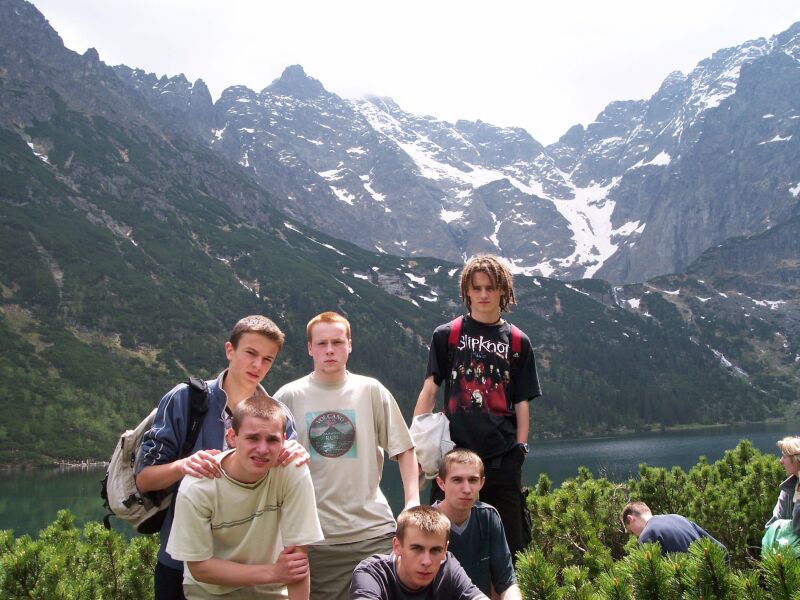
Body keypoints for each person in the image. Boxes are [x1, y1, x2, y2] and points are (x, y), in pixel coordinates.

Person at [137, 315, 308, 600]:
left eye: (267, 359)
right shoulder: (186, 401)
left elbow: (288, 486)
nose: (258, 365)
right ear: (230, 350)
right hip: (182, 563)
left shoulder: (279, 416)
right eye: (251, 353)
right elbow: (144, 480)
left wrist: (297, 454)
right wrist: (183, 466)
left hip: (255, 568)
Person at [273, 311, 420, 600]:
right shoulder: (288, 397)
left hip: (372, 532)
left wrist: (412, 502)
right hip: (314, 538)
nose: (330, 350)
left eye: (338, 342)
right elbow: (267, 459)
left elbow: (404, 449)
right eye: (322, 343)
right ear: (310, 348)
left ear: (349, 345)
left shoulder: (371, 390)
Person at [413, 254, 541, 558]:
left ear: (503, 290)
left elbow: (521, 401)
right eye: (477, 288)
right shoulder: (447, 335)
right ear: (466, 291)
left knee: (510, 548)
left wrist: (520, 449)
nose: (483, 294)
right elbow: (430, 389)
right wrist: (416, 443)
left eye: (490, 287)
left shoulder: (518, 341)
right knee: (439, 545)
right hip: (452, 458)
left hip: (502, 459)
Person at [167, 394, 323, 599]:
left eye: (272, 440)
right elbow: (199, 568)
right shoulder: (199, 486)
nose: (263, 449)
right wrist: (274, 573)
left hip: (272, 591)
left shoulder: (291, 470)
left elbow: (297, 560)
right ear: (232, 437)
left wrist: (279, 576)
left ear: (284, 440)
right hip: (212, 592)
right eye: (252, 438)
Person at [433, 449, 521, 600]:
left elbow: (506, 582)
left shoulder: (488, 517)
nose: (466, 489)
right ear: (441, 483)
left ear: (482, 482)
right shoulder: (426, 524)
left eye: (473, 480)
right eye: (457, 480)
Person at [350, 506, 487, 600]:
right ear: (397, 546)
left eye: (435, 550)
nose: (426, 561)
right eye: (417, 548)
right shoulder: (372, 573)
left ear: (445, 549)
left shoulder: (448, 568)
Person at [622, 501, 726, 553]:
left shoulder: (647, 536)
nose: (635, 536)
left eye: (631, 532)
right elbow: (721, 549)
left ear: (631, 518)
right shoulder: (679, 518)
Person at [766, 436, 800, 532]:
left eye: (784, 456)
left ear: (796, 459)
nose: (781, 461)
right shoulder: (788, 489)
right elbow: (771, 527)